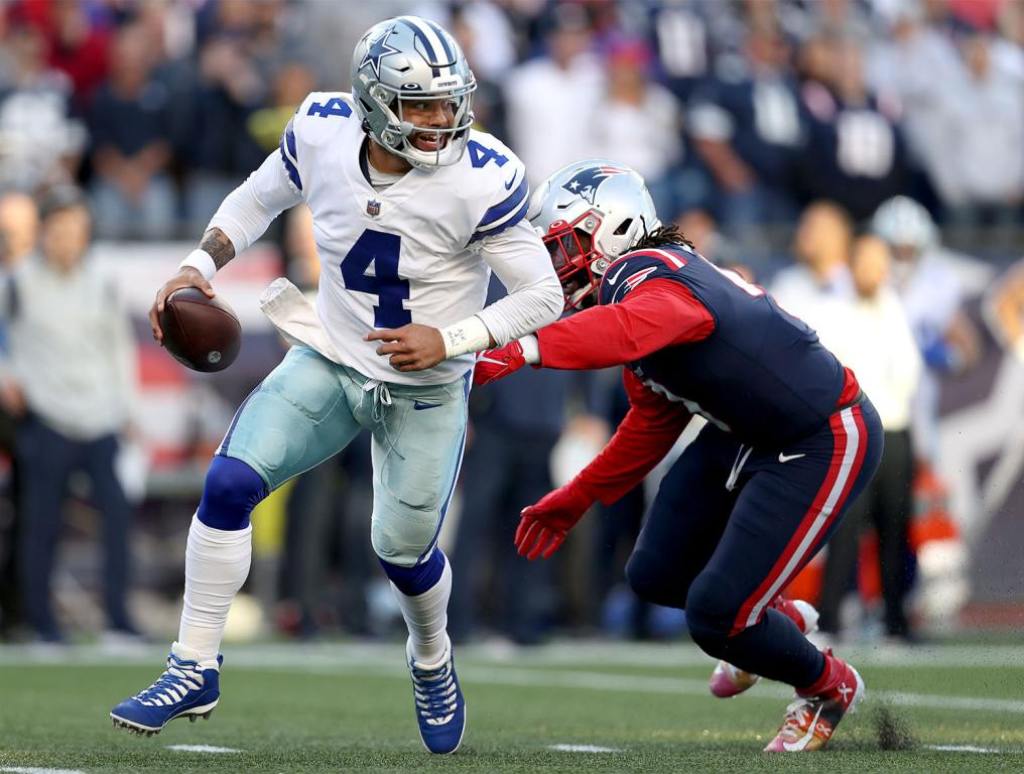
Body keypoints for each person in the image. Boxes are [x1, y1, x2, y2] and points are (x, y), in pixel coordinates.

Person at [109, 16, 562, 755]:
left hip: (428, 388)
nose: (440, 120)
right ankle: (193, 665)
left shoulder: (480, 173)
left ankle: (431, 657)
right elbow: (258, 198)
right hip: (331, 356)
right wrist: (200, 264)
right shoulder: (321, 128)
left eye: (448, 103)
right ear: (373, 100)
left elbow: (543, 294)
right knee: (226, 486)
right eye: (420, 106)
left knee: (402, 555)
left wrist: (449, 338)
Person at [475, 159, 883, 752]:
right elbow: (652, 421)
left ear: (612, 230)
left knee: (717, 614)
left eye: (565, 245)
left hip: (819, 435)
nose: (557, 266)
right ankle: (771, 621)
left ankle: (827, 686)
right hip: (747, 433)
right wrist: (576, 498)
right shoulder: (635, 297)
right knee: (656, 573)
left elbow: (643, 326)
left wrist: (526, 345)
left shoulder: (651, 273)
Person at [0, 186, 138, 644]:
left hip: (99, 417)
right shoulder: (17, 282)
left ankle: (119, 619)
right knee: (41, 525)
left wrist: (126, 408)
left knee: (117, 518)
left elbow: (119, 348)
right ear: (44, 233)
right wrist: (8, 378)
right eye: (60, 231)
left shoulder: (102, 282)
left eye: (77, 231)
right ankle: (42, 625)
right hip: (47, 417)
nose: (68, 240)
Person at [813, 236, 922, 641]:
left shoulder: (895, 309)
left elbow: (908, 373)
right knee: (844, 529)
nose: (875, 271)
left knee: (896, 528)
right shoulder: (832, 310)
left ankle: (895, 619)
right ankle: (830, 619)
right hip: (855, 432)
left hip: (894, 431)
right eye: (867, 262)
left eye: (880, 262)